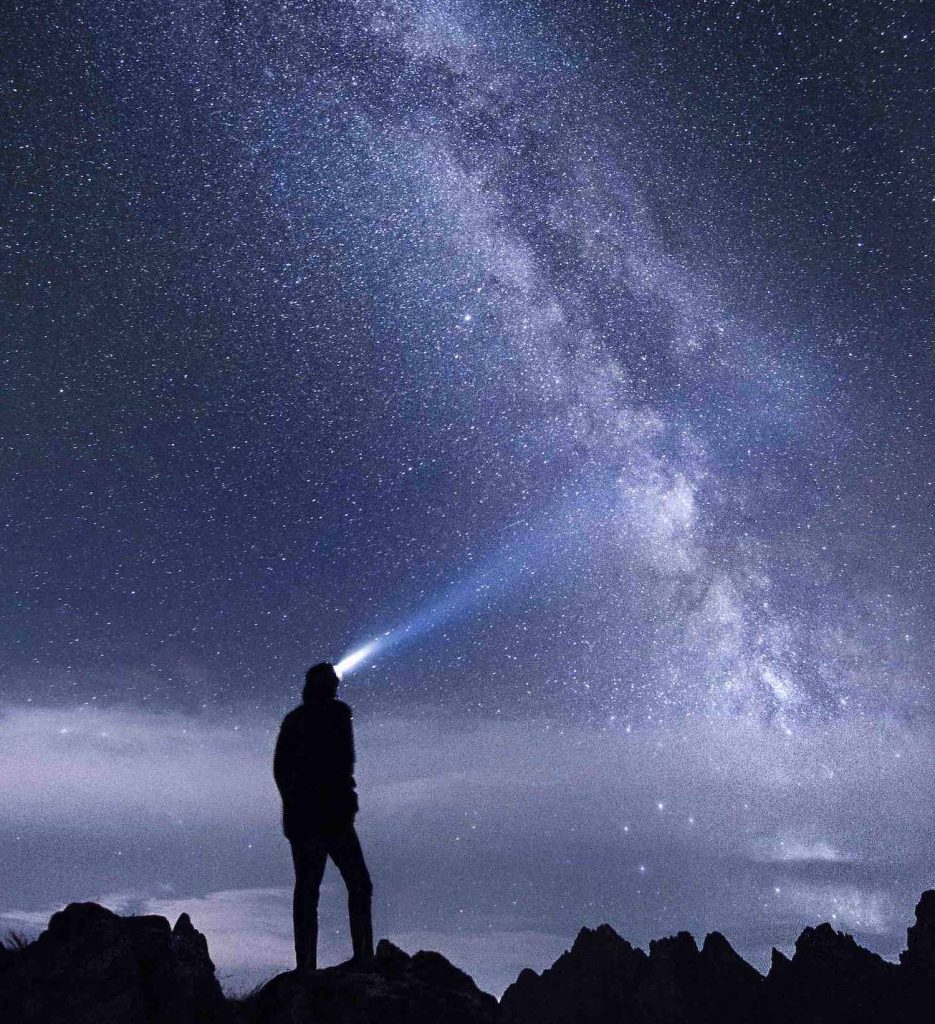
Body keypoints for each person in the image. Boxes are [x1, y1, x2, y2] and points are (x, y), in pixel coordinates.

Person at [274, 662, 374, 971]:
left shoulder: (296, 720)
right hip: (328, 818)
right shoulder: (336, 715)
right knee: (351, 885)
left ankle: (308, 966)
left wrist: (296, 805)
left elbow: (282, 770)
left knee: (309, 891)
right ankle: (361, 958)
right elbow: (343, 763)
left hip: (311, 819)